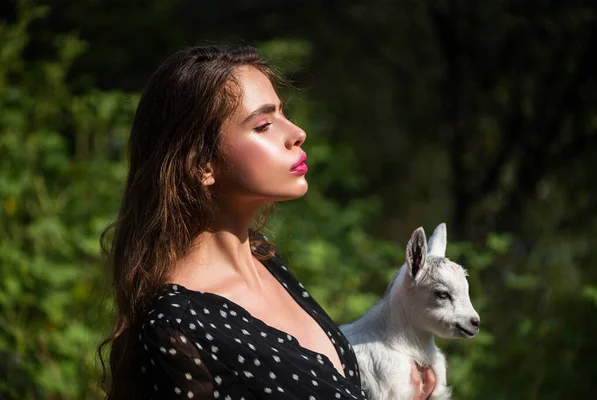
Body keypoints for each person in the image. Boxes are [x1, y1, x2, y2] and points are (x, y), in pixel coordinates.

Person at [98, 45, 436, 400]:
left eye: (283, 113)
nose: (297, 133)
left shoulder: (265, 260)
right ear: (201, 164)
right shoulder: (178, 327)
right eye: (263, 125)